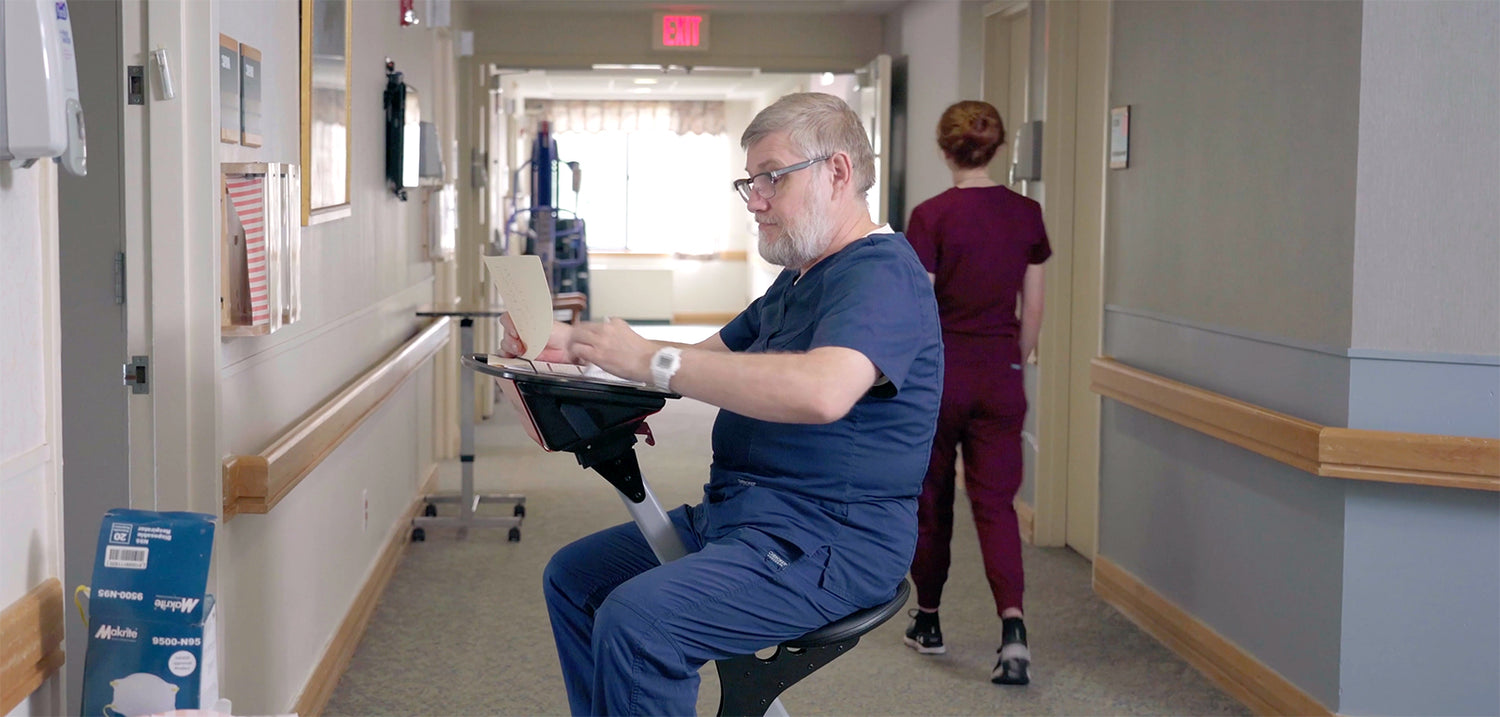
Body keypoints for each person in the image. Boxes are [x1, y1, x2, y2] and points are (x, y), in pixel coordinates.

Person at [498, 92, 943, 716]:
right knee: (577, 579)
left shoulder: (880, 274)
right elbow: (696, 359)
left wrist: (653, 360)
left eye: (771, 179)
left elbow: (823, 390)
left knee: (641, 623)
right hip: (744, 517)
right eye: (750, 182)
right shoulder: (798, 281)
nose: (755, 200)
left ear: (837, 172)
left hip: (829, 540)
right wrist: (565, 348)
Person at [900, 100, 1050, 686]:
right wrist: (1016, 357)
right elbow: (1031, 308)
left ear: (945, 149)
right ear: (999, 147)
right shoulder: (1027, 214)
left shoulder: (931, 216)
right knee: (996, 506)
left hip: (940, 378)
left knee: (931, 502)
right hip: (1000, 375)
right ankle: (1013, 632)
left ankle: (929, 620)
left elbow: (919, 308)